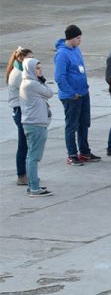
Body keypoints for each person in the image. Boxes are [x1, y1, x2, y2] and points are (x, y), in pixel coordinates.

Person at [55, 25, 99, 165]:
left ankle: (85, 152)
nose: (80, 40)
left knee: (84, 124)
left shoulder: (76, 50)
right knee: (71, 125)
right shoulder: (62, 54)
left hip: (83, 93)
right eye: (78, 38)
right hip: (72, 96)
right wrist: (71, 93)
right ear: (71, 38)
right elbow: (59, 77)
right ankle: (72, 154)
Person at [19, 58, 54, 196]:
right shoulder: (32, 84)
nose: (40, 70)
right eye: (37, 68)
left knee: (31, 156)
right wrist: (43, 80)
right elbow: (49, 93)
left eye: (40, 67)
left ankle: (33, 183)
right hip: (36, 124)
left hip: (31, 123)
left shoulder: (26, 83)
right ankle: (34, 187)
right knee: (34, 157)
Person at [7, 47, 33, 185]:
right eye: (29, 58)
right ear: (21, 59)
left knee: (26, 143)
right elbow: (31, 89)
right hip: (20, 111)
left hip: (22, 110)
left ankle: (25, 173)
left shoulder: (21, 72)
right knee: (24, 144)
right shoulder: (18, 74)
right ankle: (21, 175)